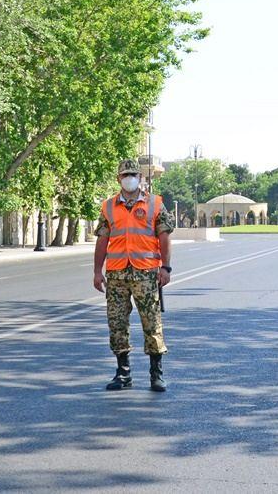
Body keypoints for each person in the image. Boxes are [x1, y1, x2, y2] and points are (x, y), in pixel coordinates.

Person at [93, 159, 174, 392]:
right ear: (118, 178)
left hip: (146, 273)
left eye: (133, 174)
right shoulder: (108, 206)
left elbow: (164, 237)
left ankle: (156, 374)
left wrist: (165, 267)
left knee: (152, 322)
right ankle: (123, 373)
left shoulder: (154, 204)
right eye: (125, 174)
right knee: (117, 323)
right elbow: (102, 240)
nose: (129, 178)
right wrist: (97, 271)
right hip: (117, 274)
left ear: (140, 178)